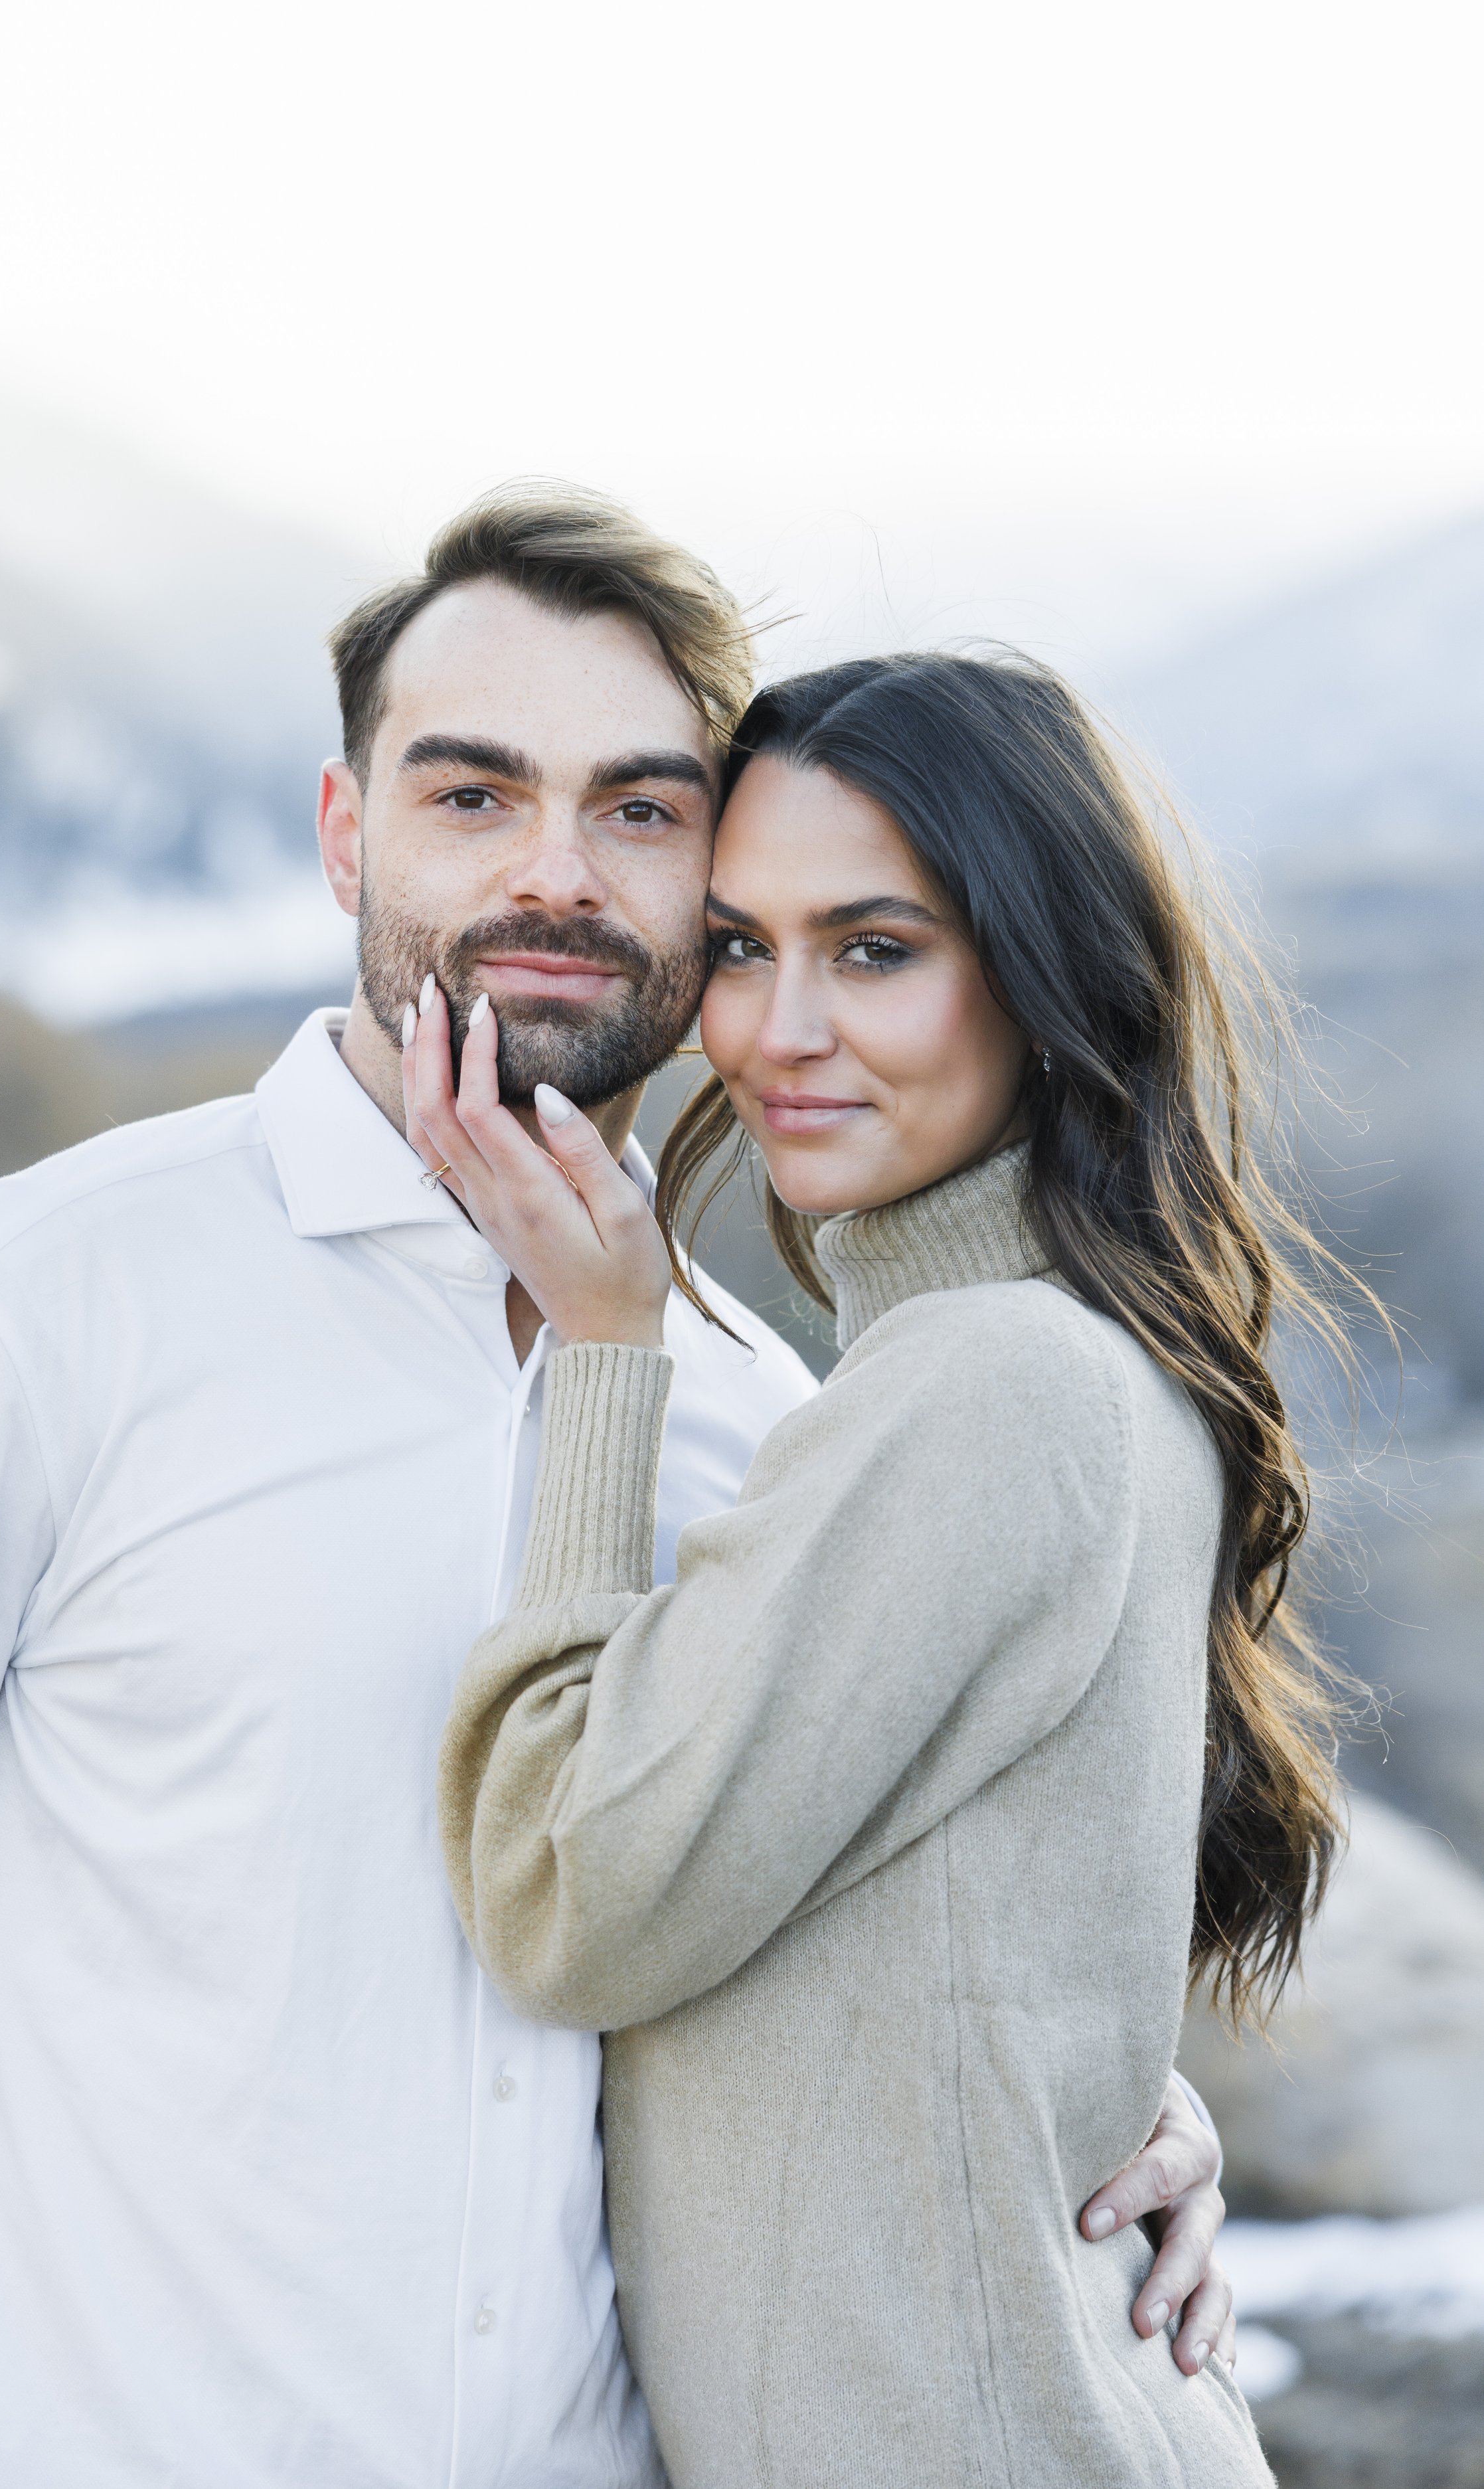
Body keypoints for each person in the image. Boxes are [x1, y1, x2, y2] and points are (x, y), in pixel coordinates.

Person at [0, 495, 1227, 2489]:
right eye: (472, 795)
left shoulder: (766, 1419)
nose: (555, 873)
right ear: (343, 831)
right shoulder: (25, 1312)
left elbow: (827, 1921)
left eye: (642, 813)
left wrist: (1104, 2098)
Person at [426, 648, 1344, 2484]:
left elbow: (565, 1888)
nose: (771, 1032)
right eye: (742, 948)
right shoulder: (1043, 1358)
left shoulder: (988, 1380)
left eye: (872, 948)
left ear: (1040, 964)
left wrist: (606, 1350)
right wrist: (1094, 2104)